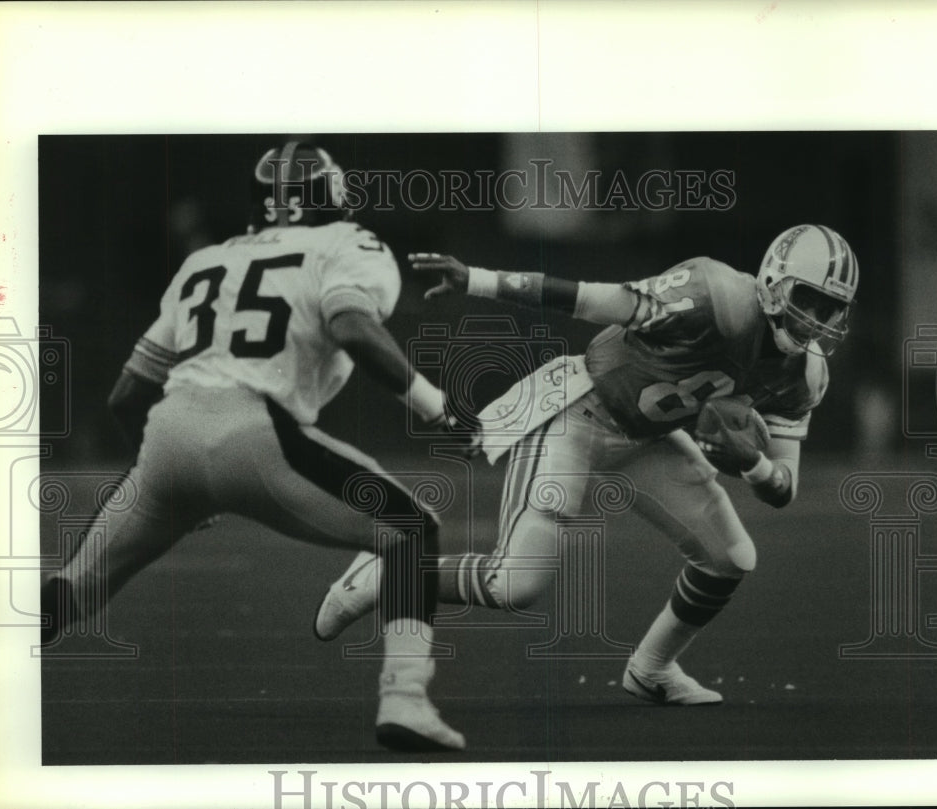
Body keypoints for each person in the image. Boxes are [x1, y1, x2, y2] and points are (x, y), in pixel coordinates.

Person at [39, 140, 471, 751]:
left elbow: (125, 396)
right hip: (256, 430)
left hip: (167, 434)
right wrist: (436, 406)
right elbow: (352, 327)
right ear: (331, 196)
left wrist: (171, 481)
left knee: (74, 586)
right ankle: (405, 698)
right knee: (411, 530)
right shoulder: (348, 244)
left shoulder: (208, 259)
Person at [315, 224, 859, 706]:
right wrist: (476, 279)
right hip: (579, 408)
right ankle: (386, 574)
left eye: (831, 310)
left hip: (645, 435)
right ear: (774, 280)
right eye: (808, 300)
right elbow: (587, 299)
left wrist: (755, 466)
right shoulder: (713, 295)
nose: (817, 321)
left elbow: (783, 486)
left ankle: (652, 670)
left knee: (731, 557)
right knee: (515, 583)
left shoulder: (803, 374)